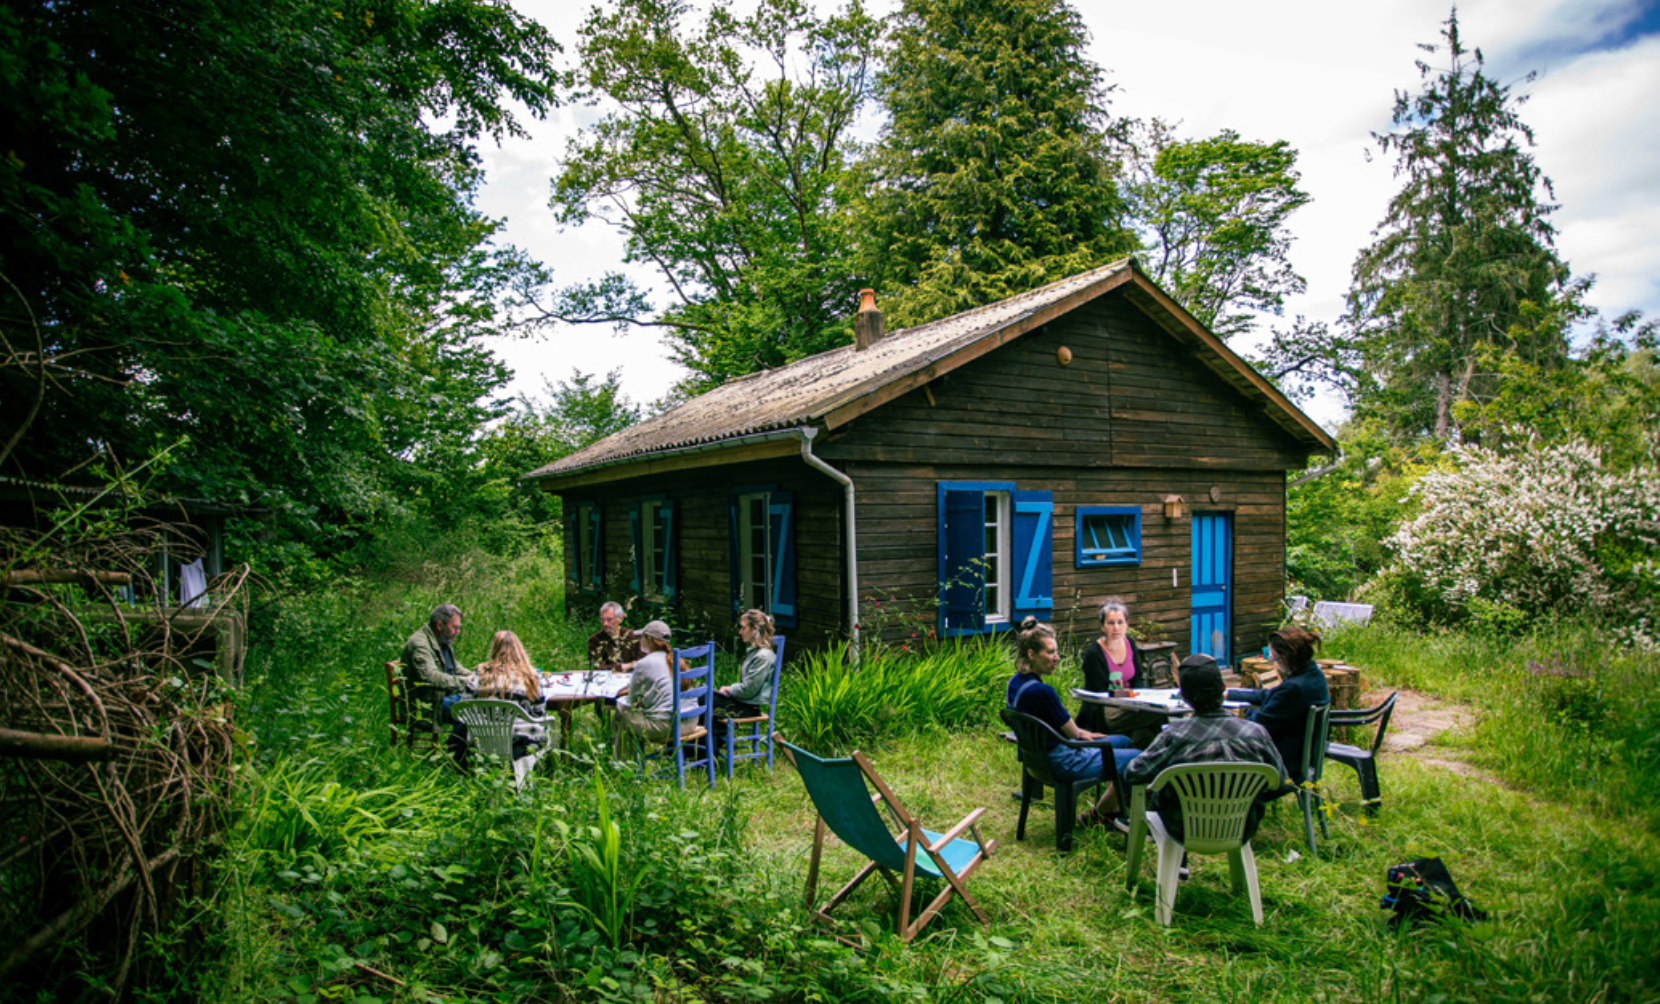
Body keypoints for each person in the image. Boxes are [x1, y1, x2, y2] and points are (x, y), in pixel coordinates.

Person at [1122, 654, 1287, 845]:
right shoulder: (1256, 733)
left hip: (1182, 827)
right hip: (1243, 827)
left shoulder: (1175, 736)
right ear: (1223, 689)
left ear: (1183, 696)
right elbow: (1280, 780)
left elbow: (1134, 773)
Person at [1006, 616, 1141, 827]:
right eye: (1050, 652)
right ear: (1031, 654)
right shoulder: (1043, 692)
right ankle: (1099, 815)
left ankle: (1113, 807)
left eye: (1056, 651)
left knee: (1123, 741)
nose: (1056, 657)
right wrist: (1083, 735)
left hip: (1038, 759)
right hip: (1063, 761)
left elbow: (1073, 731)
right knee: (1138, 757)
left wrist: (1083, 734)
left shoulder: (1015, 683)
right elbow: (1074, 734)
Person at [1226, 625, 1330, 789]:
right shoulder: (1312, 675)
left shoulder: (1293, 689)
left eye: (1274, 658)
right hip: (1301, 755)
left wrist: (1246, 712)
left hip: (1283, 764)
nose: (1272, 662)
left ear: (1286, 657)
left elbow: (1259, 726)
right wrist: (1230, 694)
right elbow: (1269, 695)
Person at [446, 630, 548, 767]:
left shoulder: (481, 672)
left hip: (483, 737)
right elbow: (539, 712)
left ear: (494, 648)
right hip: (520, 739)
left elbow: (465, 704)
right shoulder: (531, 676)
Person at [1075, 598, 1165, 748]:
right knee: (1157, 714)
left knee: (1145, 734)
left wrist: (1137, 696)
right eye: (1111, 623)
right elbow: (1098, 693)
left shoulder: (1130, 643)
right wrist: (1128, 695)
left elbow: (1138, 679)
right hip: (1107, 710)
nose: (1116, 628)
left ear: (1127, 625)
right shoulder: (1094, 653)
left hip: (1132, 705)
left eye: (1120, 622)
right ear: (1103, 627)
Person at [614, 619, 678, 755]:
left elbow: (632, 701)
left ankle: (623, 762)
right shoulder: (675, 659)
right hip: (688, 722)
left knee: (621, 709)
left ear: (649, 639)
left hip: (666, 727)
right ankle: (625, 761)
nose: (639, 640)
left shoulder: (644, 663)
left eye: (642, 637)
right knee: (630, 716)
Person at [714, 609, 776, 726]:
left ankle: (701, 742)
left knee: (706, 699)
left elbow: (749, 689)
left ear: (755, 628)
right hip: (744, 703)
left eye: (743, 628)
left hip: (749, 708)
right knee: (707, 698)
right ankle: (712, 741)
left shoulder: (763, 656)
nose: (740, 632)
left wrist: (730, 689)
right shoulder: (755, 652)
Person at [402, 603, 468, 694]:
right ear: (440, 625)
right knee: (481, 704)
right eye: (455, 627)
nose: (458, 632)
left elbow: (454, 668)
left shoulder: (441, 639)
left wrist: (478, 678)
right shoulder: (420, 645)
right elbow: (431, 677)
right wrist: (467, 682)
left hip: (444, 697)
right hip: (430, 704)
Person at [588, 601, 643, 672]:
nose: (605, 623)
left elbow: (642, 661)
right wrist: (624, 666)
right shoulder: (595, 640)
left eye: (609, 619)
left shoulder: (631, 636)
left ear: (620, 619)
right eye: (602, 619)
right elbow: (597, 666)